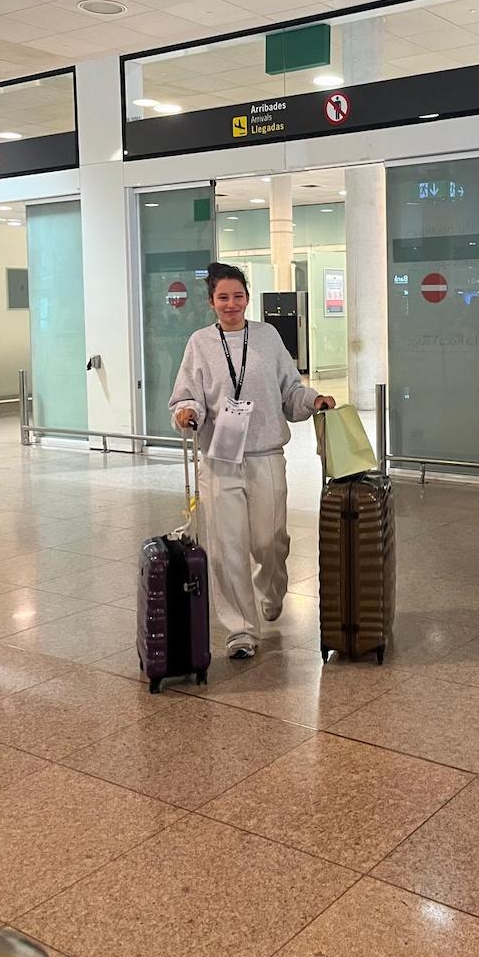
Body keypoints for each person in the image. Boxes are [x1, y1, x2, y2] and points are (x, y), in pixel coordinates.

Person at [169, 262, 335, 659]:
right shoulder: (199, 343)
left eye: (238, 296)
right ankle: (241, 629)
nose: (231, 304)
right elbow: (187, 395)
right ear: (211, 302)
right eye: (223, 298)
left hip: (265, 455)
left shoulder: (267, 336)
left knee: (269, 540)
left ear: (247, 298)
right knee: (227, 547)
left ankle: (272, 590)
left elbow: (290, 389)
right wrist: (187, 411)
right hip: (219, 458)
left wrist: (313, 400)